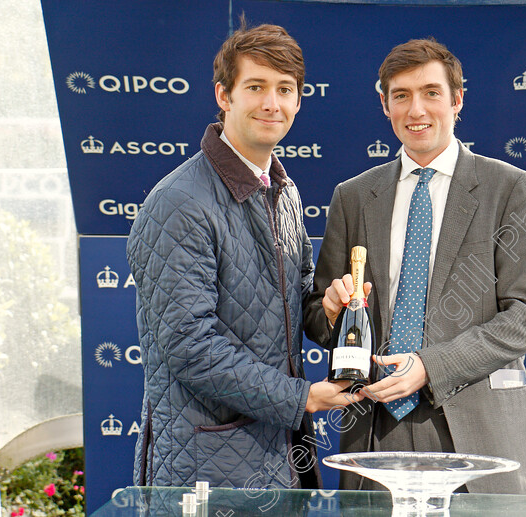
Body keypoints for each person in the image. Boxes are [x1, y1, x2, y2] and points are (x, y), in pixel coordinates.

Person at [304, 38, 526, 494]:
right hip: (376, 433)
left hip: (478, 435)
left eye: (431, 93)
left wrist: (430, 366)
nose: (416, 110)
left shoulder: (509, 188)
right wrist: (334, 311)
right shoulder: (353, 196)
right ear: (385, 105)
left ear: (457, 100)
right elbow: (319, 318)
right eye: (401, 96)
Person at [127, 22, 362, 489]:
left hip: (279, 456)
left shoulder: (284, 191)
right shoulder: (179, 202)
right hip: (208, 468)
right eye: (255, 87)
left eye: (284, 89)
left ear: (298, 100)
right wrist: (302, 398)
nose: (271, 103)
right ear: (224, 95)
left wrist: (329, 310)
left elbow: (297, 304)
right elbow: (190, 347)